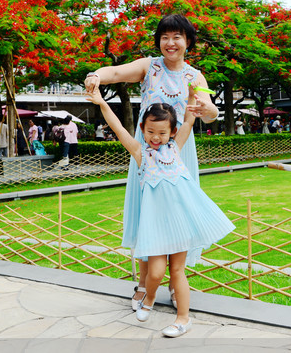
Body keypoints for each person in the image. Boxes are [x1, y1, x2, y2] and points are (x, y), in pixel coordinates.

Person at [84, 13, 219, 312]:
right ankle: (144, 284)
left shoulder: (195, 76)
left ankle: (175, 283)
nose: (170, 43)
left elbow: (209, 111)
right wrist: (97, 75)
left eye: (177, 37)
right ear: (159, 41)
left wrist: (208, 109)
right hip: (146, 152)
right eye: (165, 37)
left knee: (178, 214)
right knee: (148, 212)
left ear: (188, 42)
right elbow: (116, 73)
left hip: (180, 151)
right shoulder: (149, 67)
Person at [86, 86, 234, 337]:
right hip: (156, 228)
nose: (156, 137)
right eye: (150, 131)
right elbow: (118, 127)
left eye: (162, 132)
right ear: (142, 129)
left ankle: (183, 319)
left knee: (178, 271)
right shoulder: (141, 154)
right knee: (155, 273)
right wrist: (101, 103)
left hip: (180, 223)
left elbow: (188, 119)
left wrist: (190, 95)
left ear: (172, 132)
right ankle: (150, 297)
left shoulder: (176, 148)